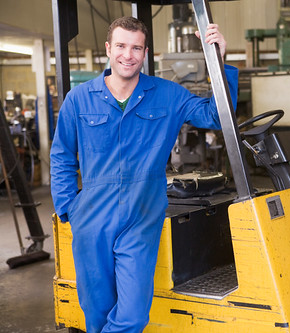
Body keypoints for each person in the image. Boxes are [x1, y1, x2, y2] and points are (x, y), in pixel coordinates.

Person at [50, 16, 238, 333]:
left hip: (141, 216)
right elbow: (61, 155)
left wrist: (219, 61)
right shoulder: (79, 99)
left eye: (136, 47)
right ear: (109, 49)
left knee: (133, 315)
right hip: (92, 217)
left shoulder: (167, 94)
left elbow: (216, 116)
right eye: (121, 46)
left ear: (145, 52)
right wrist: (69, 208)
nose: (128, 55)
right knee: (96, 312)